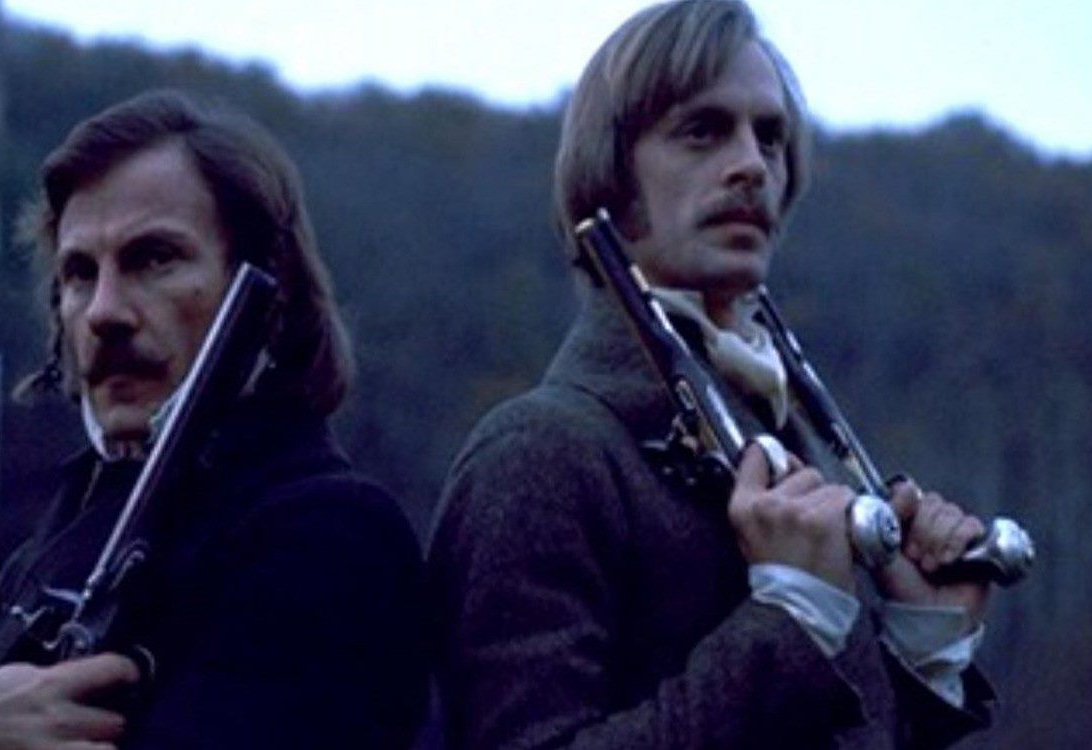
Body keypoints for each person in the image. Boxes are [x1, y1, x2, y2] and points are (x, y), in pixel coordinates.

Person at [428, 1, 1000, 748]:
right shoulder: (539, 455)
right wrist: (789, 623)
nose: (751, 164)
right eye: (702, 131)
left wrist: (921, 653)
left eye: (770, 137)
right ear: (611, 173)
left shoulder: (802, 443)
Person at [0, 90, 428, 749]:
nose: (104, 311)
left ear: (267, 287)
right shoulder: (53, 548)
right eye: (80, 273)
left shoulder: (331, 535)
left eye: (154, 258)